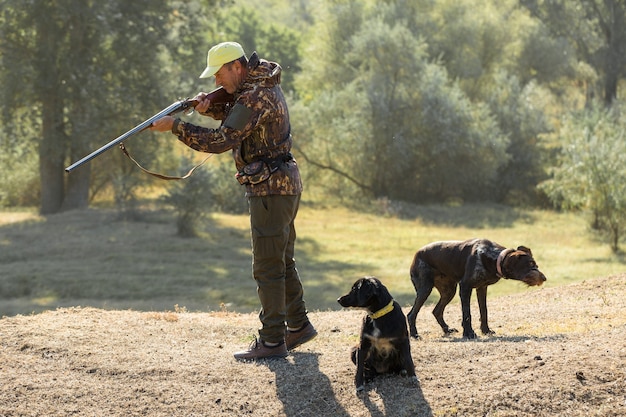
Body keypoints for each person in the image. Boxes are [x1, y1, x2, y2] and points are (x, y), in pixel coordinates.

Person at [151, 41, 316, 360]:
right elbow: (236, 116)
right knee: (281, 260)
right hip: (282, 184)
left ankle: (271, 341)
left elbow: (222, 139)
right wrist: (207, 107)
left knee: (268, 265)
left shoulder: (255, 94)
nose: (215, 82)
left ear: (236, 67)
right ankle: (298, 326)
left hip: (270, 188)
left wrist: (176, 127)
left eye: (219, 74)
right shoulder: (258, 85)